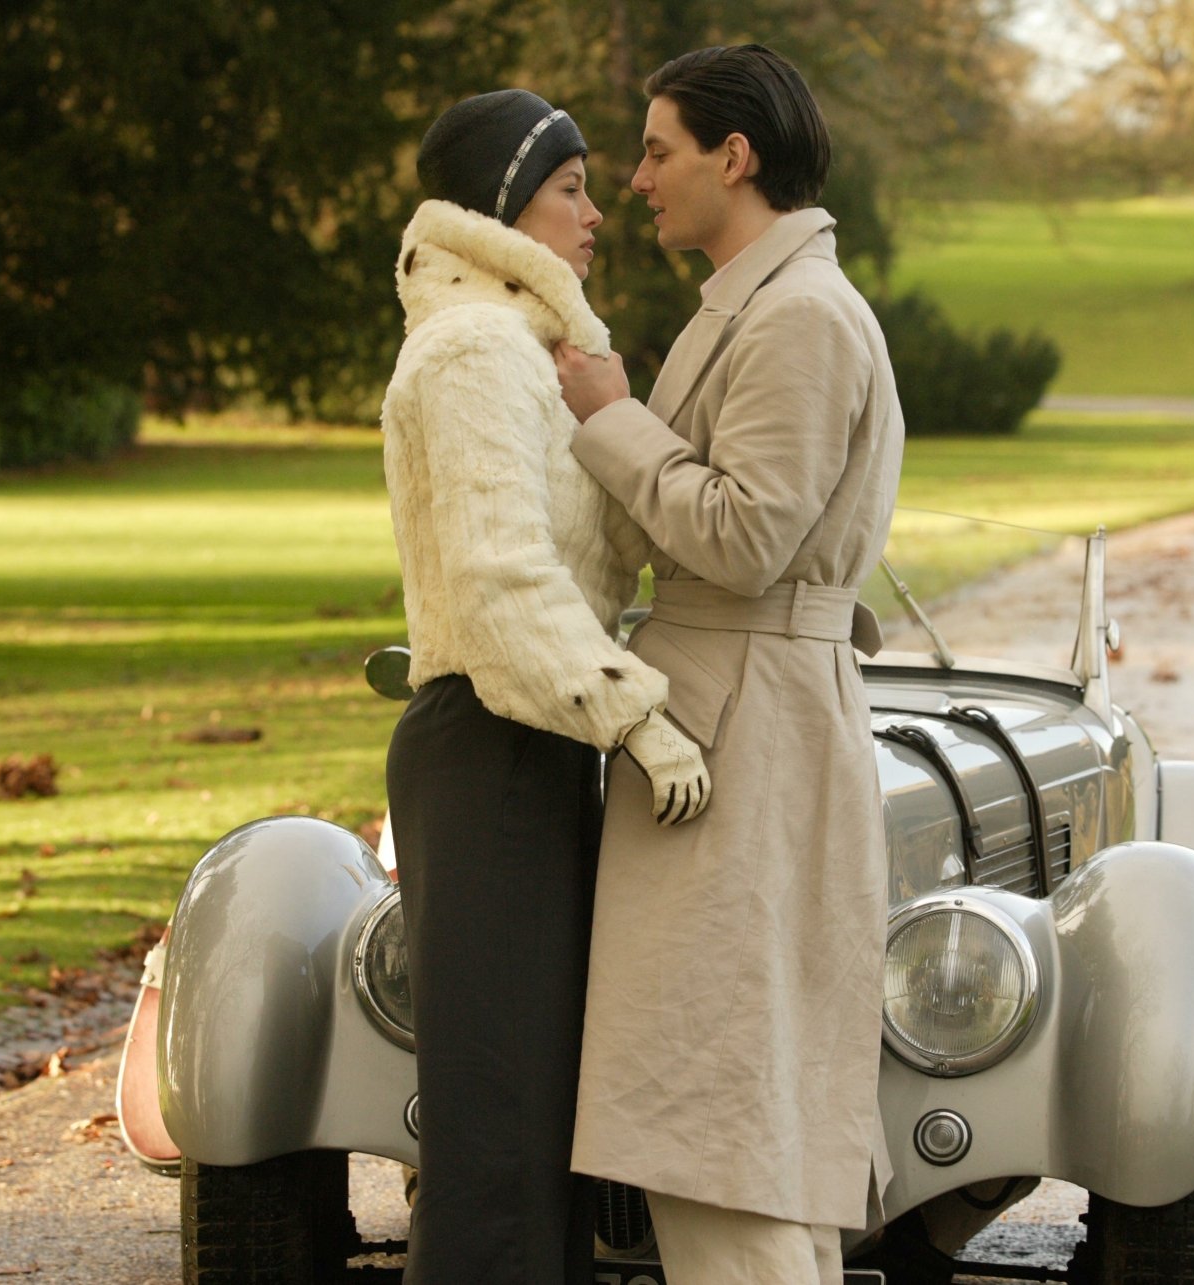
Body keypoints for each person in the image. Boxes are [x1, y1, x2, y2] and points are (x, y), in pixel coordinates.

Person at [554, 45, 906, 1285]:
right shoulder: (759, 304)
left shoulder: (800, 315)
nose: (638, 180)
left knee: (720, 1127)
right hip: (739, 706)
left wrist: (610, 415)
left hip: (744, 725)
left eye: (659, 151)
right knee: (741, 1122)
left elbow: (747, 539)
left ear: (735, 156)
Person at [380, 89, 712, 1285]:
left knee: (543, 1131)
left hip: (536, 739)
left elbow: (608, 550)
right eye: (571, 187)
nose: (597, 211)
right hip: (491, 744)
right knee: (500, 1141)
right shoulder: (472, 352)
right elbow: (499, 577)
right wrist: (636, 716)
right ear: (507, 205)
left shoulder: (525, 353)